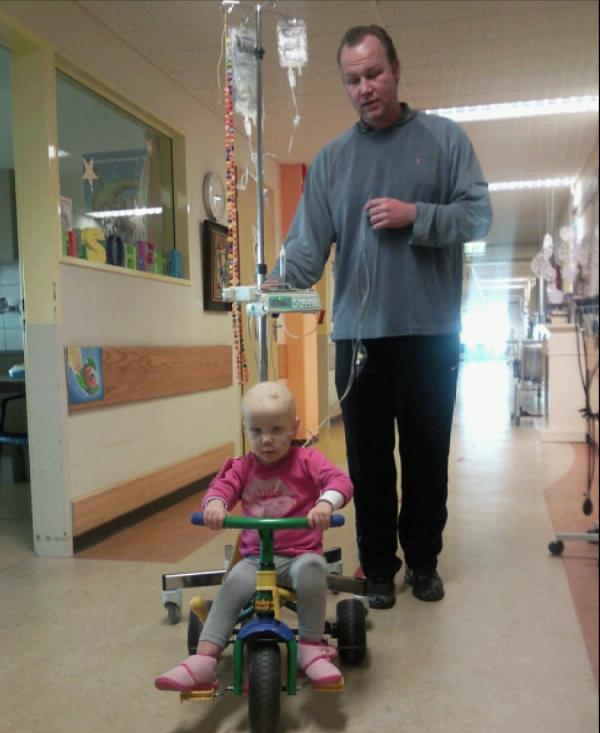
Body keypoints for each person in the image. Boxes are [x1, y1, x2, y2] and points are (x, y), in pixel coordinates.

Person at [267, 26, 493, 609]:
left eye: (374, 74)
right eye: (353, 79)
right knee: (367, 463)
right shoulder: (332, 161)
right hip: (359, 337)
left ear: (396, 69)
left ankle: (422, 562)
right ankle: (377, 565)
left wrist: (417, 215)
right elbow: (306, 249)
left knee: (425, 455)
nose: (365, 88)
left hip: (430, 332)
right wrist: (274, 282)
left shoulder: (444, 141)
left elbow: (479, 217)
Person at [155, 381, 353, 691]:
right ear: (245, 429)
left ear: (294, 427)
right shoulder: (242, 467)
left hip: (300, 554)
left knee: (314, 570)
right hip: (255, 558)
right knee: (233, 582)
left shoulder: (307, 460)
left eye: (276, 429)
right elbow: (221, 488)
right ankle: (204, 659)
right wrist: (216, 505)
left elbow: (339, 481)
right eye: (256, 431)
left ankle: (311, 646)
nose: (266, 440)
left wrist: (326, 504)